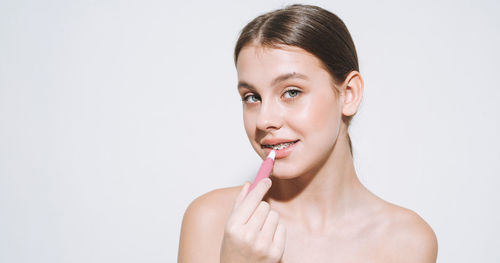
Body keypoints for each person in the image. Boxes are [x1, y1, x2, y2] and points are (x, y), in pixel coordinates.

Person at [178, 4, 437, 262]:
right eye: (252, 97)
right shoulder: (212, 221)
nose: (264, 119)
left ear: (349, 94)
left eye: (292, 92)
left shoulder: (408, 242)